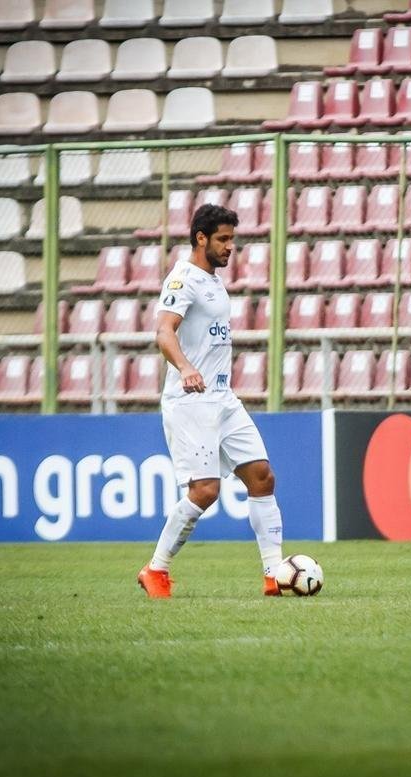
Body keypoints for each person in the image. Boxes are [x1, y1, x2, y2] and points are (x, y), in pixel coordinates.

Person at [137, 204, 285, 599]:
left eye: (232, 239)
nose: (230, 246)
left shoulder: (213, 280)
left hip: (222, 397)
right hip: (191, 401)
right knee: (205, 491)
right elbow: (164, 332)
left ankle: (275, 574)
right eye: (223, 238)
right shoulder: (183, 279)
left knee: (261, 476)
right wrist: (185, 368)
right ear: (201, 238)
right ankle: (156, 570)